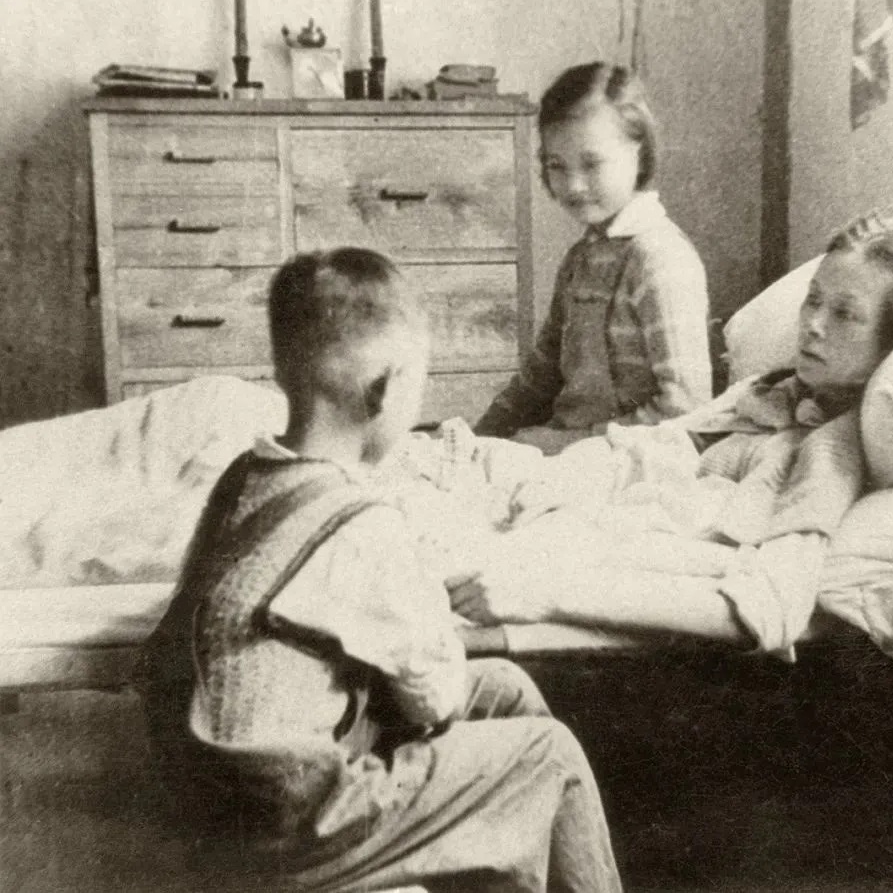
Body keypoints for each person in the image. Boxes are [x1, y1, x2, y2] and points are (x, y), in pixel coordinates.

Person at [136, 248, 622, 893]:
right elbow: (434, 699)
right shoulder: (363, 523)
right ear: (384, 391)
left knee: (503, 689)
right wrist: (427, 624)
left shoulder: (246, 476)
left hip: (213, 786)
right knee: (546, 753)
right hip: (288, 820)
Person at [451, 214, 893, 661]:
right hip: (554, 515)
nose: (813, 325)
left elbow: (772, 603)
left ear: (891, 344)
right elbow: (662, 442)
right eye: (813, 301)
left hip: (590, 569)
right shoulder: (767, 393)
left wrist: (548, 593)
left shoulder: (828, 449)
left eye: (845, 314)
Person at [474, 61, 712, 456]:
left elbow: (687, 412)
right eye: (557, 165)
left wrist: (568, 443)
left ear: (639, 152)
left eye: (592, 163)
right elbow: (539, 379)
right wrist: (481, 438)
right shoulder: (580, 260)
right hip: (572, 451)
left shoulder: (660, 259)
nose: (573, 185)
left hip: (635, 459)